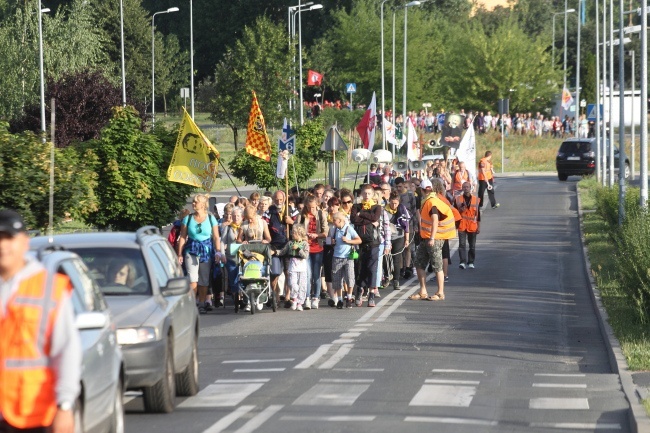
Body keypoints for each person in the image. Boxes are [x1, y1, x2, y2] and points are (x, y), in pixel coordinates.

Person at [0, 209, 81, 433]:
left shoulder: (49, 288)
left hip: (32, 414)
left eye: (9, 238)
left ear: (25, 243)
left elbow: (66, 350)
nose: (3, 246)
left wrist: (65, 405)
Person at [408, 178, 456, 301]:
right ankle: (422, 291)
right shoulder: (427, 200)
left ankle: (440, 293)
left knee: (437, 265)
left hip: (434, 238)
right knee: (419, 263)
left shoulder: (432, 202)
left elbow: (435, 219)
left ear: (421, 190)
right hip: (426, 238)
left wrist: (432, 237)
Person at [177, 194, 222, 314]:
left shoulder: (211, 218)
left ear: (203, 204)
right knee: (192, 278)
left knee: (204, 278)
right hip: (191, 250)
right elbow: (182, 237)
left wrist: (218, 252)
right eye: (193, 202)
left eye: (195, 202)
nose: (193, 204)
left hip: (206, 251)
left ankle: (202, 303)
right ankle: (192, 302)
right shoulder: (188, 218)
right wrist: (179, 254)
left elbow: (216, 237)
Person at [350, 184, 382, 307]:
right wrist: (369, 220)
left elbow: (375, 217)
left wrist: (361, 215)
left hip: (373, 242)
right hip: (360, 242)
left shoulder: (377, 207)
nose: (367, 196)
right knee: (360, 267)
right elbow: (354, 220)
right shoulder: (356, 206)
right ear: (361, 194)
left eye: (369, 193)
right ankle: (360, 290)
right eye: (365, 193)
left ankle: (372, 294)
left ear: (373, 195)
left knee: (372, 268)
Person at [296, 196, 328, 309]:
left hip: (318, 247)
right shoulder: (302, 215)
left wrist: (316, 235)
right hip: (306, 248)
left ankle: (316, 297)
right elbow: (296, 231)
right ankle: (307, 297)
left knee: (316, 274)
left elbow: (325, 232)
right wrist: (304, 237)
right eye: (309, 207)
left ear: (317, 205)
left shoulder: (321, 214)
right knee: (307, 274)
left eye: (313, 207)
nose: (311, 210)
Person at [329, 211, 362, 308]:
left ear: (340, 220)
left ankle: (349, 297)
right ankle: (339, 299)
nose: (333, 222)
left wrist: (348, 241)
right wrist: (331, 242)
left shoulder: (349, 229)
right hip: (337, 257)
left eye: (334, 220)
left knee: (350, 277)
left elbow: (359, 240)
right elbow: (328, 241)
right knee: (337, 279)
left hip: (348, 257)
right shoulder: (333, 230)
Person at [275, 225, 310, 311]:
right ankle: (294, 299)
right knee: (292, 284)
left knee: (302, 286)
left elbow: (305, 255)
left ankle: (300, 303)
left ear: (299, 234)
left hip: (302, 268)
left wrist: (298, 249)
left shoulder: (305, 244)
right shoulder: (290, 243)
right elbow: (283, 251)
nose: (292, 234)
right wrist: (275, 252)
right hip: (293, 267)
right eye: (292, 233)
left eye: (294, 233)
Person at [384, 191, 410, 290]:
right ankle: (387, 276)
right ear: (389, 201)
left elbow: (406, 226)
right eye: (392, 203)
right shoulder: (384, 210)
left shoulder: (402, 210)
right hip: (387, 237)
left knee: (397, 259)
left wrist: (406, 239)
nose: (394, 205)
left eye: (396, 203)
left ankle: (396, 280)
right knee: (385, 258)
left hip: (398, 237)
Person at [454, 181, 480, 269]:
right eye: (464, 187)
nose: (466, 188)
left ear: (470, 188)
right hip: (462, 225)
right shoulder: (458, 199)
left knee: (472, 245)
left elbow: (478, 215)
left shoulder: (475, 200)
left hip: (472, 226)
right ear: (462, 188)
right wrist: (461, 210)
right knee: (462, 244)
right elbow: (455, 213)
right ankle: (462, 262)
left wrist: (478, 227)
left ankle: (471, 262)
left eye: (467, 187)